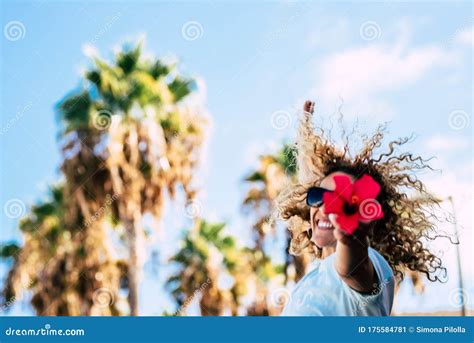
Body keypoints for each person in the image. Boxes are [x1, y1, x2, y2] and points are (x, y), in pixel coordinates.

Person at [278, 101, 446, 316]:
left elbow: (351, 269)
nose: (324, 207)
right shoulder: (313, 276)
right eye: (318, 197)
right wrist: (304, 136)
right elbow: (310, 180)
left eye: (340, 199)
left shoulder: (372, 264)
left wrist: (350, 239)